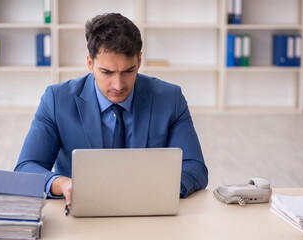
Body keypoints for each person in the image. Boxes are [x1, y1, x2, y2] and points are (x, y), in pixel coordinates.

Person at [15, 13, 208, 206]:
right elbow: (26, 168)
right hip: (84, 210)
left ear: (139, 61)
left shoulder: (170, 99)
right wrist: (62, 183)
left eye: (128, 71)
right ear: (90, 63)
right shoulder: (56, 100)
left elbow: (195, 167)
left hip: (148, 208)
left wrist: (156, 187)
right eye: (107, 72)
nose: (118, 85)